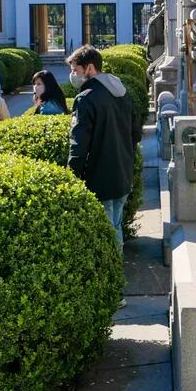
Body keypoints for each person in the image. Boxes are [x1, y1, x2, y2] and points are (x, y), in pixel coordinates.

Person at [66, 45, 142, 253]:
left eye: (75, 70)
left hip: (99, 175)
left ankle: (113, 274)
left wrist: (71, 176)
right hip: (123, 171)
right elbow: (135, 134)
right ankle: (117, 265)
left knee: (107, 230)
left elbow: (78, 144)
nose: (73, 75)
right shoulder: (122, 92)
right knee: (115, 225)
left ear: (89, 68)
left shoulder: (86, 98)